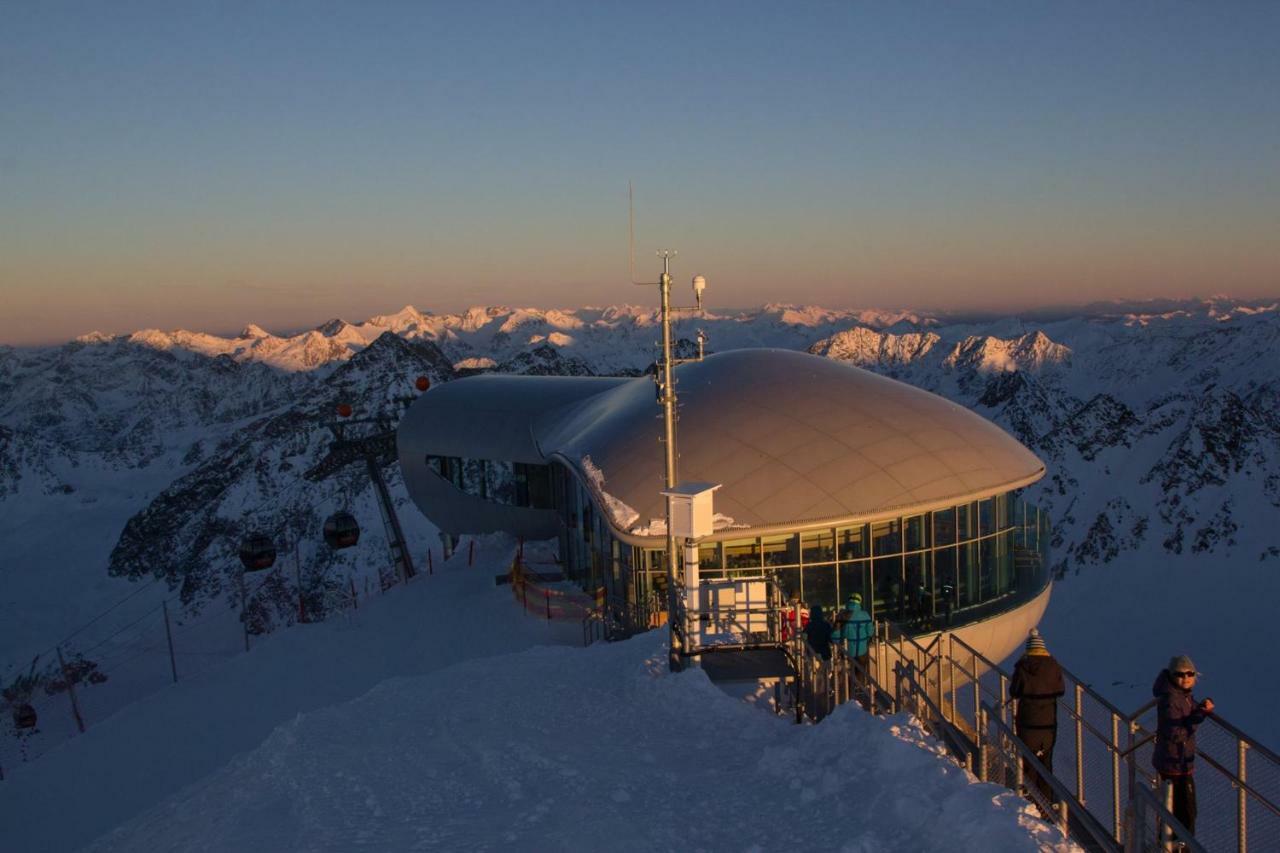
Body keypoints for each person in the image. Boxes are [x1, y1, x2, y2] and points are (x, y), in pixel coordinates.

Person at [1153, 655, 1214, 836]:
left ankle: (1168, 844)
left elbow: (1184, 714)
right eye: (1180, 674)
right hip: (1175, 765)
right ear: (1172, 675)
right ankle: (1181, 847)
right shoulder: (1172, 699)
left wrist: (1200, 708)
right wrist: (1199, 717)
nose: (1186, 678)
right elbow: (1176, 733)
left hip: (1174, 762)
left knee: (1176, 811)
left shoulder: (1179, 695)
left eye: (1190, 673)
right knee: (1186, 814)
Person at [1009, 628, 1065, 809]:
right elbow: (1060, 690)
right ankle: (1046, 804)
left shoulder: (1022, 666)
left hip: (1027, 722)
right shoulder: (1053, 665)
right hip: (1048, 723)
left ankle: (1029, 803)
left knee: (1028, 763)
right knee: (1046, 762)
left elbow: (1014, 691)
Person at [832, 593, 873, 684]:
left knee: (846, 674)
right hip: (862, 650)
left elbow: (835, 634)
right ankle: (860, 689)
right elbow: (870, 632)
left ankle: (849, 691)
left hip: (846, 651)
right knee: (860, 672)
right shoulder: (865, 615)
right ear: (859, 602)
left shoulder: (842, 615)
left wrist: (837, 646)